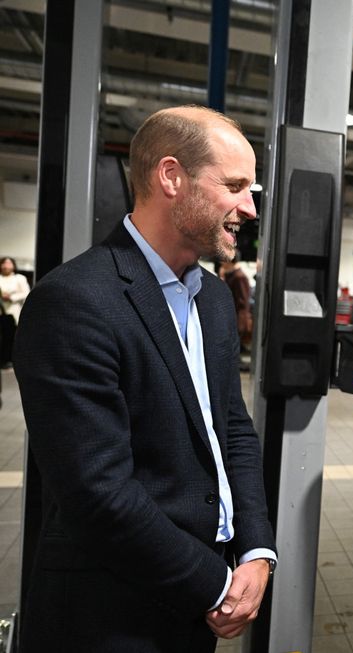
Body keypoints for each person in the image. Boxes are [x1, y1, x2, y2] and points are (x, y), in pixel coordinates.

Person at [14, 105, 277, 652]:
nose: (250, 209)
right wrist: (216, 587)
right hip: (108, 619)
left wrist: (255, 551)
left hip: (195, 607)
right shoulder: (75, 301)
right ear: (171, 176)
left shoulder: (212, 301)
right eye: (234, 186)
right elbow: (96, 492)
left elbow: (232, 431)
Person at [219, 252, 253, 351]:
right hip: (230, 319)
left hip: (236, 321)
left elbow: (242, 303)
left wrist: (240, 325)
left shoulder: (239, 277)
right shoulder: (229, 275)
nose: (221, 262)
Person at [0, 256, 29, 368]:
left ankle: (8, 360)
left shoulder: (19, 278)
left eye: (8, 263)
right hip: (1, 311)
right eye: (4, 263)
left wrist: (11, 297)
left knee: (10, 337)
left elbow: (26, 293)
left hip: (12, 312)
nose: (6, 266)